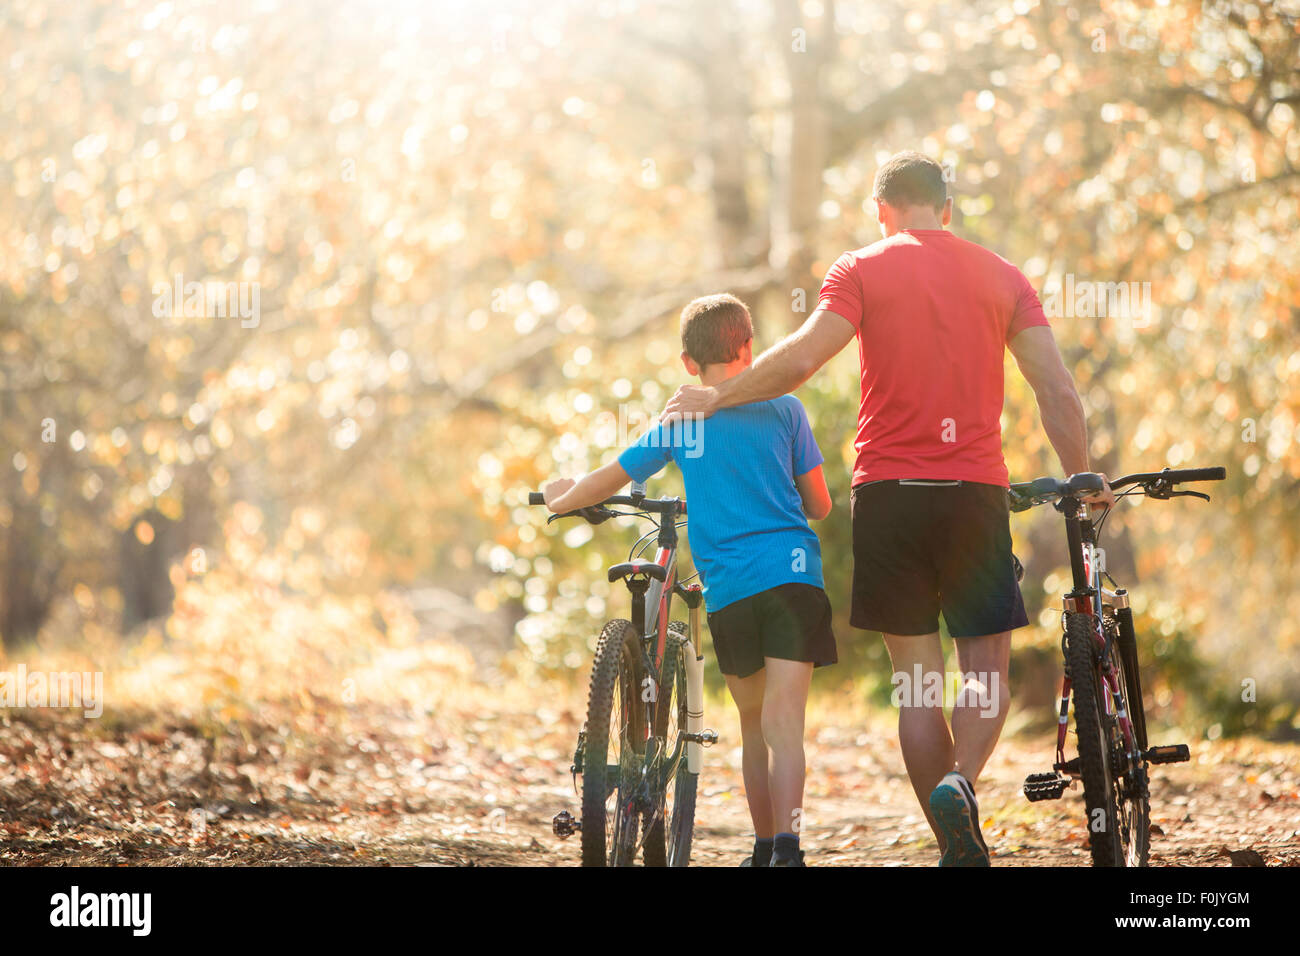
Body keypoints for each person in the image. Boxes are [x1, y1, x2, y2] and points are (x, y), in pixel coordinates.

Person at [660, 152, 1114, 866]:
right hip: (971, 496)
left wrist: (718, 397)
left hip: (886, 497)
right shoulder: (1004, 278)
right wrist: (1080, 474)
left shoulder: (861, 268)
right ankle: (961, 784)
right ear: (947, 208)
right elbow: (1054, 387)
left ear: (882, 210)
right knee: (984, 669)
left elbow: (803, 359)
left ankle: (951, 847)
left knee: (917, 685)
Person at [542, 293, 837, 867]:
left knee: (753, 727)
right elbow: (820, 504)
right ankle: (789, 850)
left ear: (687, 363)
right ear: (750, 347)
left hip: (731, 590)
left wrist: (564, 496)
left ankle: (760, 846)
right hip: (793, 576)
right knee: (785, 726)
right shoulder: (786, 409)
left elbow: (613, 474)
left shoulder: (682, 423)